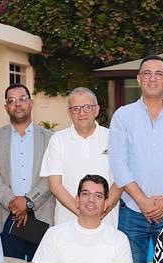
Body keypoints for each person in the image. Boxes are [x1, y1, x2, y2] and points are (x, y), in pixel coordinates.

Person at [108, 55, 163, 263]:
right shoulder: (123, 116)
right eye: (147, 73)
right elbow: (118, 163)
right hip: (132, 210)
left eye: (159, 74)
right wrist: (142, 201)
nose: (152, 78)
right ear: (138, 79)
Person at [0, 84, 52, 260]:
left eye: (22, 99)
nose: (17, 104)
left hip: (40, 216)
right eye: (11, 100)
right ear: (6, 107)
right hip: (8, 214)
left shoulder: (50, 138)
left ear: (31, 103)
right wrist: (12, 202)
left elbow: (51, 176)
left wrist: (28, 201)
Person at [41, 87, 120, 227]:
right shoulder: (58, 140)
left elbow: (120, 180)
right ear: (69, 112)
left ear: (96, 110)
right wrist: (83, 213)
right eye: (75, 108)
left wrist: (101, 211)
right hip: (67, 223)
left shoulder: (113, 138)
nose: (81, 113)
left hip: (106, 223)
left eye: (87, 107)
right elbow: (55, 185)